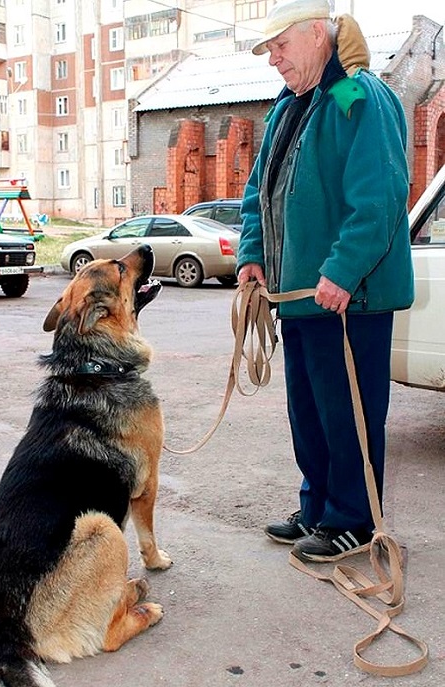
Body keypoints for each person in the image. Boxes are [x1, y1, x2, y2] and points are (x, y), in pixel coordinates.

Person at [237, 0, 414, 563]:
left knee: (349, 413)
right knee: (309, 410)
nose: (274, 60)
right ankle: (317, 507)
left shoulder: (352, 95)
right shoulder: (291, 106)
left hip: (348, 299)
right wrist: (252, 255)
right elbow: (257, 192)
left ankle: (355, 519)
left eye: (281, 46)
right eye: (268, 50)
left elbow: (380, 197)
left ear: (319, 34)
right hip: (299, 299)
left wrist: (340, 270)